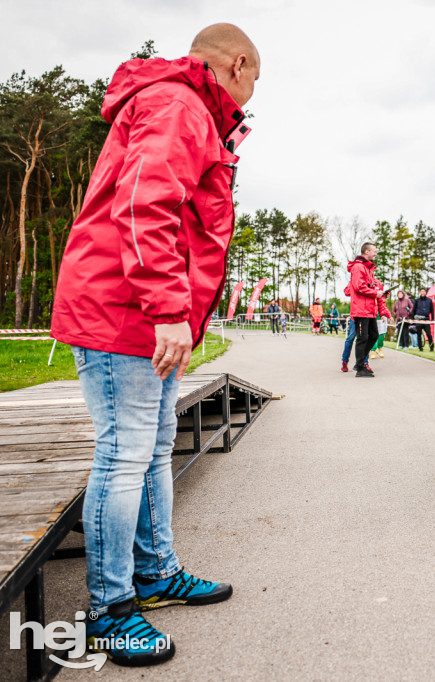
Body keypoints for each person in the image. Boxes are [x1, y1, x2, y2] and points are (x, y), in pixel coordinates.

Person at [48, 23, 258, 666]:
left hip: (143, 311)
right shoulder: (178, 105)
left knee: (155, 444)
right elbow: (146, 205)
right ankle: (111, 610)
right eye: (253, 81)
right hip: (124, 310)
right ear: (239, 63)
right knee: (126, 450)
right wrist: (169, 309)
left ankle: (156, 573)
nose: (250, 96)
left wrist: (181, 320)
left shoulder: (187, 108)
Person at [347, 242, 392, 377]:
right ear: (366, 252)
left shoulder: (368, 269)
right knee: (362, 338)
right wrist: (375, 293)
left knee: (373, 336)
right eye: (374, 251)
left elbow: (371, 287)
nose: (376, 254)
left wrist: (381, 293)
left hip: (371, 310)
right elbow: (358, 287)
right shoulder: (359, 267)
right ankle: (360, 368)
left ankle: (359, 363)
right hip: (361, 309)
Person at [411, 287, 435, 352]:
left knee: (429, 335)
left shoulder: (429, 300)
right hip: (418, 320)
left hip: (426, 320)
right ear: (420, 292)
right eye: (421, 291)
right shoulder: (417, 300)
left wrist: (432, 319)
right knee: (419, 334)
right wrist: (412, 319)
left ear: (425, 292)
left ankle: (431, 347)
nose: (422, 292)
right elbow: (414, 310)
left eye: (424, 291)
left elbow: (432, 310)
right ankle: (420, 348)